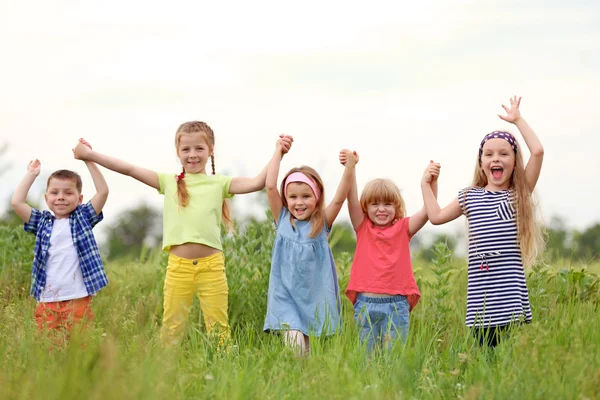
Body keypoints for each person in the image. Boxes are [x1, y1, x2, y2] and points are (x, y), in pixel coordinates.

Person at [72, 121, 293, 345]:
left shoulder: (219, 183)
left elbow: (257, 182)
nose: (192, 155)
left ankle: (222, 372)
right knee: (172, 329)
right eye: (186, 149)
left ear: (211, 150)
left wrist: (278, 153)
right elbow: (129, 169)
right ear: (177, 152)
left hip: (212, 267)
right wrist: (90, 155)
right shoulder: (168, 182)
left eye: (199, 148)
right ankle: (164, 374)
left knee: (219, 329)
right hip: (178, 267)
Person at [421, 96, 544, 347]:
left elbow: (538, 152)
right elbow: (435, 216)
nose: (495, 159)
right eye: (488, 154)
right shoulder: (469, 196)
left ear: (514, 161)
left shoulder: (517, 195)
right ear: (481, 163)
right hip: (481, 300)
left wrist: (518, 120)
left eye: (503, 154)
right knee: (485, 358)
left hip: (509, 298)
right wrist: (427, 184)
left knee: (509, 359)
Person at [263, 145, 357, 356]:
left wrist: (349, 167)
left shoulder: (321, 223)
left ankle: (306, 385)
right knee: (296, 348)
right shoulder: (283, 220)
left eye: (306, 196)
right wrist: (278, 151)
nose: (299, 202)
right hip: (285, 297)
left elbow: (340, 197)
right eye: (293, 197)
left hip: (315, 298)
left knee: (311, 353)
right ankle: (300, 379)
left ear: (317, 198)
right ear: (286, 199)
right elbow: (270, 187)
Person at [341, 150, 440, 352]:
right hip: (366, 304)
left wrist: (431, 182)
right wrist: (351, 167)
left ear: (397, 207)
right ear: (365, 207)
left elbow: (428, 211)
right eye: (374, 204)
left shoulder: (404, 228)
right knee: (366, 359)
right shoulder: (362, 226)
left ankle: (391, 385)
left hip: (396, 305)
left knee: (392, 360)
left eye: (388, 203)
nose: (381, 209)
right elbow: (351, 198)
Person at [11, 149, 109, 344]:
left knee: (79, 347)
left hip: (78, 297)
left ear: (79, 199)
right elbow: (17, 202)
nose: (61, 197)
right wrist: (31, 175)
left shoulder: (83, 217)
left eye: (68, 193)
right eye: (55, 193)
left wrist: (89, 160)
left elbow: (103, 191)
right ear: (47, 199)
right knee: (49, 346)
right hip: (47, 299)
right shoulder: (42, 222)